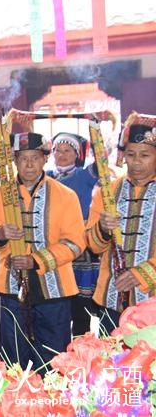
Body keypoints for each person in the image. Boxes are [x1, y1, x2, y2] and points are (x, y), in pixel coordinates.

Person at [0, 132, 85, 371]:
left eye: (35, 157)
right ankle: (15, 406)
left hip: (54, 289)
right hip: (12, 287)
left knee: (54, 357)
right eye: (23, 158)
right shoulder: (0, 195)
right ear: (14, 161)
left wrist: (35, 260)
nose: (29, 164)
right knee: (12, 357)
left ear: (44, 160)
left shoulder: (65, 196)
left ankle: (50, 406)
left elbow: (76, 243)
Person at [87, 122, 156, 335]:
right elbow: (93, 245)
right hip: (112, 296)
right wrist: (103, 228)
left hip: (152, 303)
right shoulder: (108, 191)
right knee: (111, 363)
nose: (136, 162)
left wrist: (143, 273)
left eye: (144, 155)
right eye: (131, 154)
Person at [47, 132, 100, 336]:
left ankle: (80, 347)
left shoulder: (84, 175)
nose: (62, 155)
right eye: (57, 151)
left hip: (81, 249)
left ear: (77, 154)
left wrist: (96, 134)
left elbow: (100, 164)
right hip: (54, 246)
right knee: (57, 301)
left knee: (80, 304)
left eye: (67, 150)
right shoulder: (46, 177)